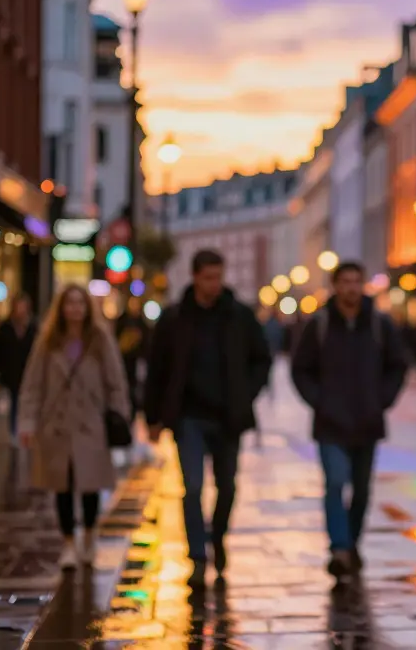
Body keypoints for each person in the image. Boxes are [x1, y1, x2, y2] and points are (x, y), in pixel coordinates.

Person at [145, 250, 273, 588]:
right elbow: (157, 370)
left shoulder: (239, 316)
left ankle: (217, 538)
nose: (214, 284)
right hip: (188, 417)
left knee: (227, 487)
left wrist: (246, 393)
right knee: (193, 488)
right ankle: (198, 556)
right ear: (195, 276)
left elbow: (262, 359)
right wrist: (153, 417)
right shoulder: (175, 318)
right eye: (208, 277)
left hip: (228, 416)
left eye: (219, 276)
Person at [291, 262, 409, 578]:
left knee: (361, 490)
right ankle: (340, 548)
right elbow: (300, 368)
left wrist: (381, 400)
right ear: (335, 285)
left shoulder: (379, 324)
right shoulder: (320, 324)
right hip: (330, 423)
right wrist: (320, 401)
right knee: (334, 483)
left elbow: (398, 365)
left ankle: (351, 543)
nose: (351, 288)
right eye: (345, 282)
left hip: (367, 422)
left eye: (356, 282)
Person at [18, 284, 130, 569]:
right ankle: (69, 544)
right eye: (70, 303)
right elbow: (32, 385)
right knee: (62, 486)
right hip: (56, 425)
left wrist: (119, 414)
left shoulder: (100, 339)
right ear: (61, 308)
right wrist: (28, 423)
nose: (75, 309)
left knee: (90, 485)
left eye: (80, 303)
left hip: (91, 423)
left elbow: (115, 381)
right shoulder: (48, 340)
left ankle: (90, 536)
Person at [0, 292, 37, 435]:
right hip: (9, 376)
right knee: (12, 404)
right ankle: (13, 434)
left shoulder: (33, 328)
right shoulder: (5, 329)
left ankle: (21, 432)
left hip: (27, 375)